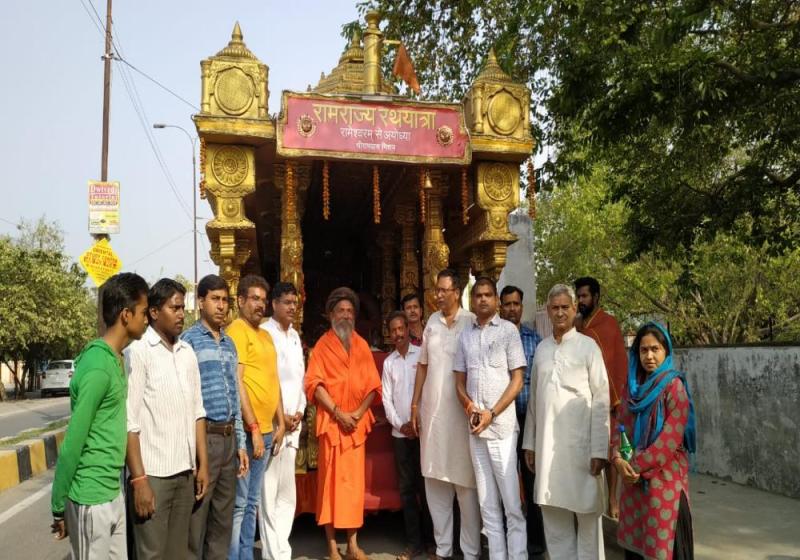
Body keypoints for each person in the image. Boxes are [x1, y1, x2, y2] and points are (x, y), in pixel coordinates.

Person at [50, 273, 149, 558]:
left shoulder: (117, 359)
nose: (147, 320)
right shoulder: (97, 366)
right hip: (90, 498)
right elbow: (73, 440)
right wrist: (59, 505)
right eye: (143, 312)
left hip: (112, 491)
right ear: (126, 315)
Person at [523, 284, 610, 560]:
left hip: (582, 449)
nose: (560, 313)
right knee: (554, 518)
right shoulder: (542, 349)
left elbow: (601, 399)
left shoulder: (588, 347)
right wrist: (530, 444)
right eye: (555, 308)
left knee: (587, 515)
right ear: (548, 311)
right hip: (548, 449)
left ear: (574, 309)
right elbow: (535, 401)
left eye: (565, 307)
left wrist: (600, 450)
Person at [126, 278, 209, 560]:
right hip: (154, 476)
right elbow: (129, 422)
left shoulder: (187, 353)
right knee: (152, 554)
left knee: (178, 553)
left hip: (185, 473)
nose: (181, 314)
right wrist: (139, 480)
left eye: (183, 308)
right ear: (153, 312)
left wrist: (202, 465)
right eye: (174, 308)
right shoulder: (139, 352)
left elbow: (198, 412)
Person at [304, 287, 382, 560]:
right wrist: (339, 413)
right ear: (331, 315)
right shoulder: (321, 347)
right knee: (330, 486)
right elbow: (314, 385)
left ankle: (352, 545)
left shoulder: (361, 345)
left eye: (350, 311)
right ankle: (331, 545)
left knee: (352, 488)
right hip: (333, 426)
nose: (346, 316)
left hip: (355, 427)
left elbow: (373, 385)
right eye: (341, 311)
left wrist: (357, 414)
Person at [454, 277, 527, 559]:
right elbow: (459, 382)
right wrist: (470, 406)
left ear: (496, 300)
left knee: (511, 504)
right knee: (488, 505)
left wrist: (492, 413)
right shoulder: (465, 336)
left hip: (502, 430)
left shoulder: (508, 332)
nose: (483, 299)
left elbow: (517, 380)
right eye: (478, 295)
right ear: (472, 301)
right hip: (477, 432)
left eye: (487, 295)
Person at [410, 269, 481, 560]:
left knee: (466, 486)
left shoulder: (471, 322)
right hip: (434, 415)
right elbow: (423, 366)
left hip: (462, 416)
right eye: (436, 290)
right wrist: (415, 405)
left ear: (457, 292)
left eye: (443, 290)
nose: (437, 295)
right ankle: (443, 549)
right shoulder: (431, 323)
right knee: (435, 482)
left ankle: (471, 551)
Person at [612, 323, 696, 560]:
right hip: (633, 484)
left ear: (666, 351)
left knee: (665, 548)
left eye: (655, 349)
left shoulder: (674, 388)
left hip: (665, 482)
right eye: (643, 350)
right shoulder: (631, 389)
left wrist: (633, 467)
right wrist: (617, 459)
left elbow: (668, 442)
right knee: (636, 549)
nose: (649, 356)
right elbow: (620, 428)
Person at [180, 275, 249, 560]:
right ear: (201, 302)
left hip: (229, 438)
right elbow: (185, 399)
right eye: (215, 299)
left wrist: (241, 443)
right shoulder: (188, 342)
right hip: (204, 439)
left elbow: (235, 398)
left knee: (223, 522)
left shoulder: (229, 344)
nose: (221, 306)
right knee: (196, 521)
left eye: (225, 300)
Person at [226, 274, 286, 560]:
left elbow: (273, 381)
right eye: (254, 299)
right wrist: (252, 427)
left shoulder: (265, 335)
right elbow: (237, 381)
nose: (260, 305)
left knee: (252, 502)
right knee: (240, 504)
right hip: (249, 433)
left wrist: (280, 421)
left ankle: (246, 554)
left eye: (263, 299)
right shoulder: (237, 330)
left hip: (266, 430)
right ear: (240, 301)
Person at [574, 276, 629, 518]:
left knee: (610, 451)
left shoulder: (608, 324)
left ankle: (613, 499)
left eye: (585, 296)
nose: (581, 300)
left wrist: (615, 396)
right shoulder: (577, 326)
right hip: (583, 399)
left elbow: (616, 362)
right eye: (578, 296)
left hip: (609, 398)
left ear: (596, 297)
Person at [259, 282, 306, 560]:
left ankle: (282, 550)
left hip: (293, 425)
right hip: (273, 424)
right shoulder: (265, 333)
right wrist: (281, 417)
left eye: (294, 303)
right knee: (269, 492)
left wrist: (299, 410)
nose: (292, 307)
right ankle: (271, 554)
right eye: (287, 302)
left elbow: (300, 379)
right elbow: (268, 380)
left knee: (287, 494)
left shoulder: (295, 336)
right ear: (274, 304)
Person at [499, 284, 546, 555]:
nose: (511, 309)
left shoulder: (534, 340)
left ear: (521, 306)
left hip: (528, 417)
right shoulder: (494, 338)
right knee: (504, 480)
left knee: (531, 478)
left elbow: (539, 381)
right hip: (502, 420)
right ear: (500, 307)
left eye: (515, 304)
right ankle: (508, 539)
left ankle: (536, 541)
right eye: (507, 304)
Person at [382, 310, 428, 560]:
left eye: (401, 328)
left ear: (408, 330)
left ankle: (434, 543)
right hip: (400, 435)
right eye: (394, 330)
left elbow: (428, 391)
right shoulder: (389, 363)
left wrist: (417, 422)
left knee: (428, 488)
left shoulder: (421, 355)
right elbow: (386, 400)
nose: (398, 333)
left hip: (423, 433)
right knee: (407, 490)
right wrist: (401, 426)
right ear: (389, 334)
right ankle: (414, 543)